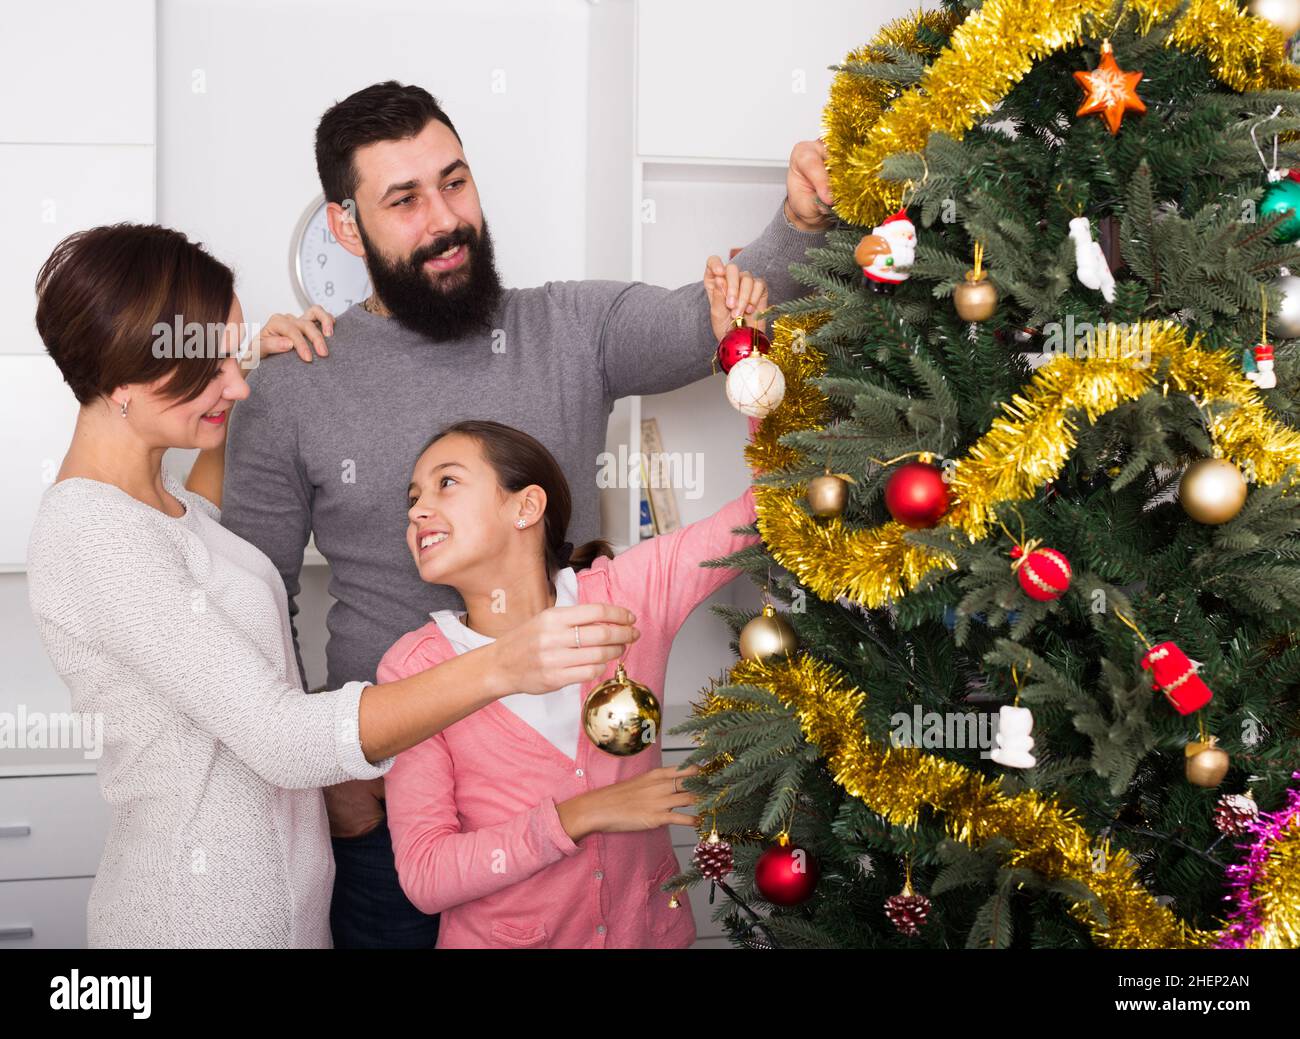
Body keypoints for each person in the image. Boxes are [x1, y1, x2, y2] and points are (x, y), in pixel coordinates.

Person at [220, 80, 833, 948]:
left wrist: (799, 222)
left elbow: (708, 323)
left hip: (577, 774)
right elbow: (248, 602)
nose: (445, 217)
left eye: (455, 181)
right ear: (346, 228)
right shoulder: (293, 380)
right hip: (389, 803)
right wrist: (325, 774)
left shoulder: (569, 326)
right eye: (404, 199)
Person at [25, 223, 637, 948]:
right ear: (129, 376)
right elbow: (281, 738)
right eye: (213, 365)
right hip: (197, 920)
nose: (238, 381)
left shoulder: (167, 506)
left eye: (235, 354)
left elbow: (210, 537)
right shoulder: (94, 532)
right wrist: (502, 665)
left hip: (284, 911)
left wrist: (258, 363)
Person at [379, 267, 768, 947]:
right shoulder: (412, 669)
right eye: (412, 497)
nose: (419, 509)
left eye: (446, 483)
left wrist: (750, 358)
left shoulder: (626, 594)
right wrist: (585, 811)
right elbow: (426, 873)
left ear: (525, 505)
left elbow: (768, 510)